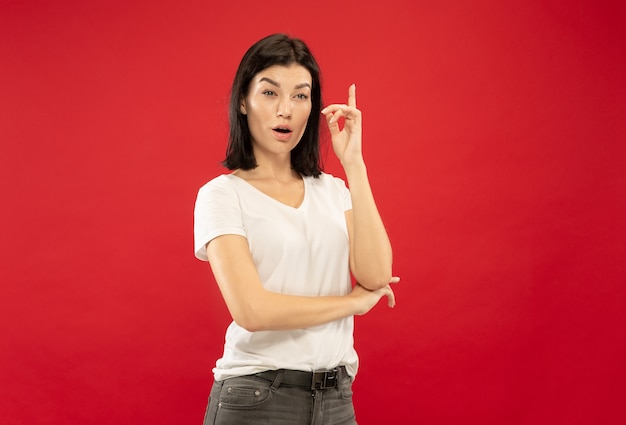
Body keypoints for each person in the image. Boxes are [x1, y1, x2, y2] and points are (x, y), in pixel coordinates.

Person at [194, 33, 398, 425]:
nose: (285, 110)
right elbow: (252, 310)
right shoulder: (222, 195)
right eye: (270, 93)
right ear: (243, 101)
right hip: (257, 398)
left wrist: (354, 165)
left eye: (301, 96)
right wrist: (351, 304)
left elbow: (375, 275)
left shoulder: (334, 191)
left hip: (336, 399)